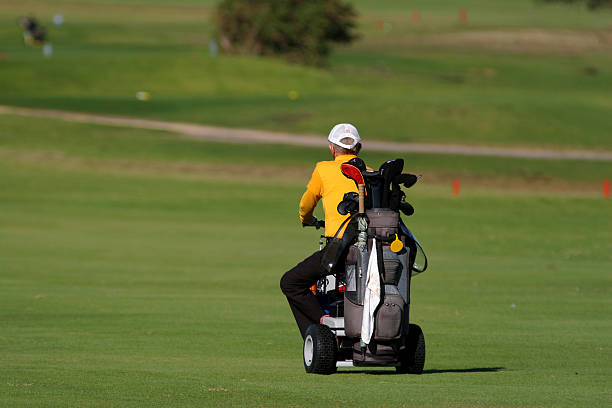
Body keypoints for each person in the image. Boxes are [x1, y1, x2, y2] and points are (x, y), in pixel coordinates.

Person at [280, 123, 363, 339]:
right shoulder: (370, 173)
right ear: (359, 148)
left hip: (338, 249)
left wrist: (306, 219)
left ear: (332, 148)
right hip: (368, 249)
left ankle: (322, 330)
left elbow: (307, 203)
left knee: (291, 282)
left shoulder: (324, 169)